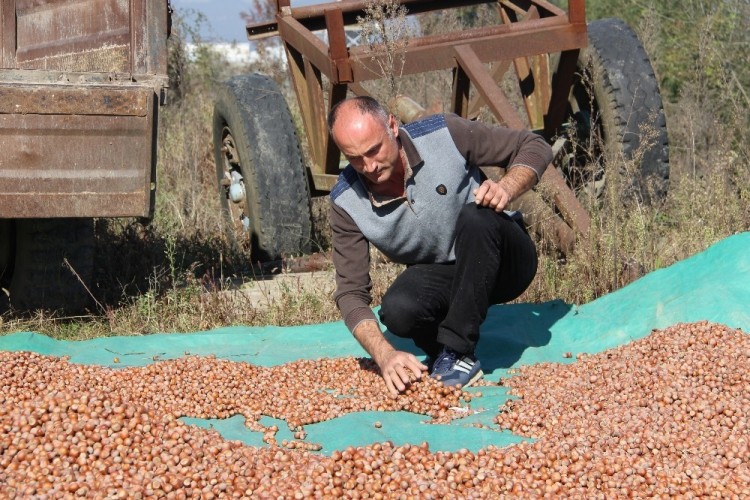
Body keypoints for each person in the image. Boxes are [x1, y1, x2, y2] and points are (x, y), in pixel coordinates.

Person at [328, 96, 551, 396]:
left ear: (392, 125)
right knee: (396, 310)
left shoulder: (444, 134)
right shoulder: (345, 202)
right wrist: (384, 355)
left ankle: (458, 351)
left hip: (505, 260)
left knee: (477, 216)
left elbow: (535, 146)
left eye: (374, 150)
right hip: (447, 277)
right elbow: (351, 294)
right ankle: (448, 353)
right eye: (354, 158)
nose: (369, 166)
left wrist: (506, 188)